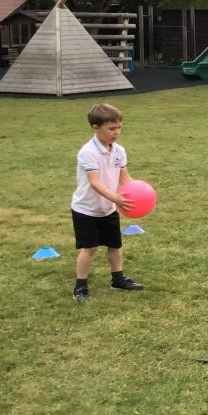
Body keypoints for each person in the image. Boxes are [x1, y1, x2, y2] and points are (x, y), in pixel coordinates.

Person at [70, 102, 143, 302]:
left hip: (108, 208)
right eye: (112, 129)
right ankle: (81, 286)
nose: (117, 132)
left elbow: (125, 178)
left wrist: (138, 193)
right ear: (96, 128)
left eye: (119, 127)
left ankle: (117, 279)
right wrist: (116, 198)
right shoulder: (88, 152)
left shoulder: (119, 150)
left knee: (115, 245)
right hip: (86, 209)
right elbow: (95, 183)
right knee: (90, 248)